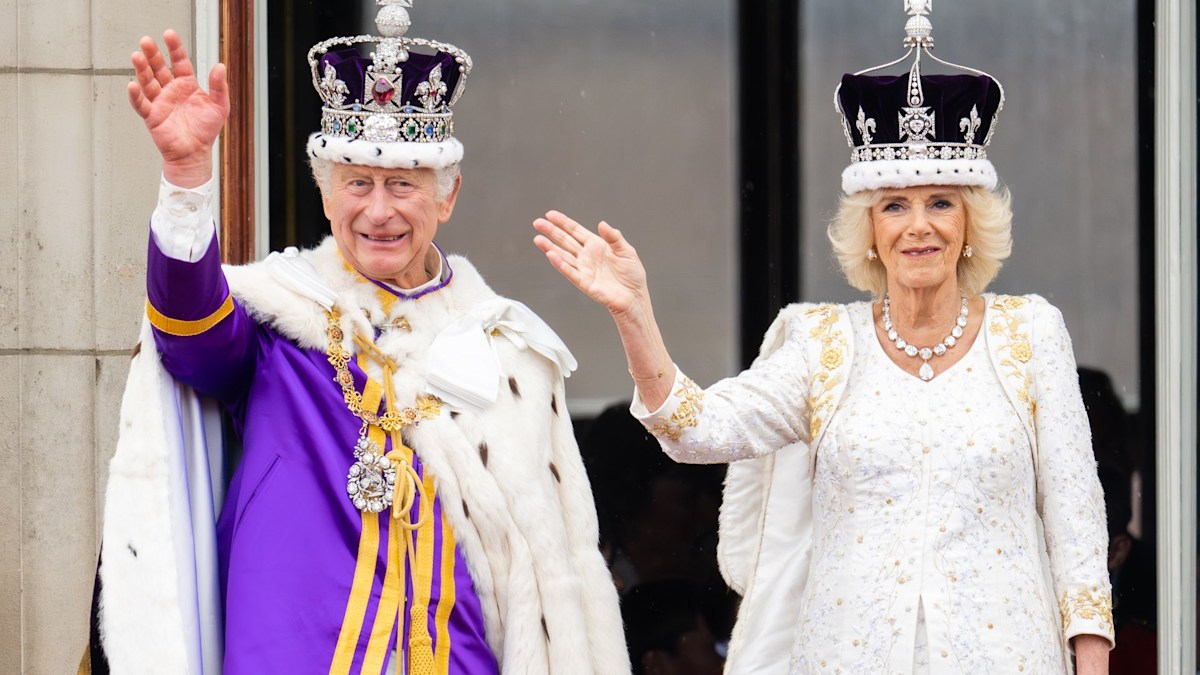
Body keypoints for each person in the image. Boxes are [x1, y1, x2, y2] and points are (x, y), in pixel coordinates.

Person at [533, 3, 1112, 674]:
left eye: (940, 202)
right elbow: (695, 429)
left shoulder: (1031, 333)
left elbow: (1077, 526)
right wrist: (635, 312)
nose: (917, 225)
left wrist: (1090, 663)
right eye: (894, 204)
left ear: (970, 219)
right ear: (869, 227)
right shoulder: (821, 344)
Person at [86, 3, 628, 674]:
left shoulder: (508, 349)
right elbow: (189, 334)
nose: (379, 211)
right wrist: (187, 178)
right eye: (358, 184)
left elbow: (549, 578)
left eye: (403, 184)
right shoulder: (279, 321)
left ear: (447, 196)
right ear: (325, 193)